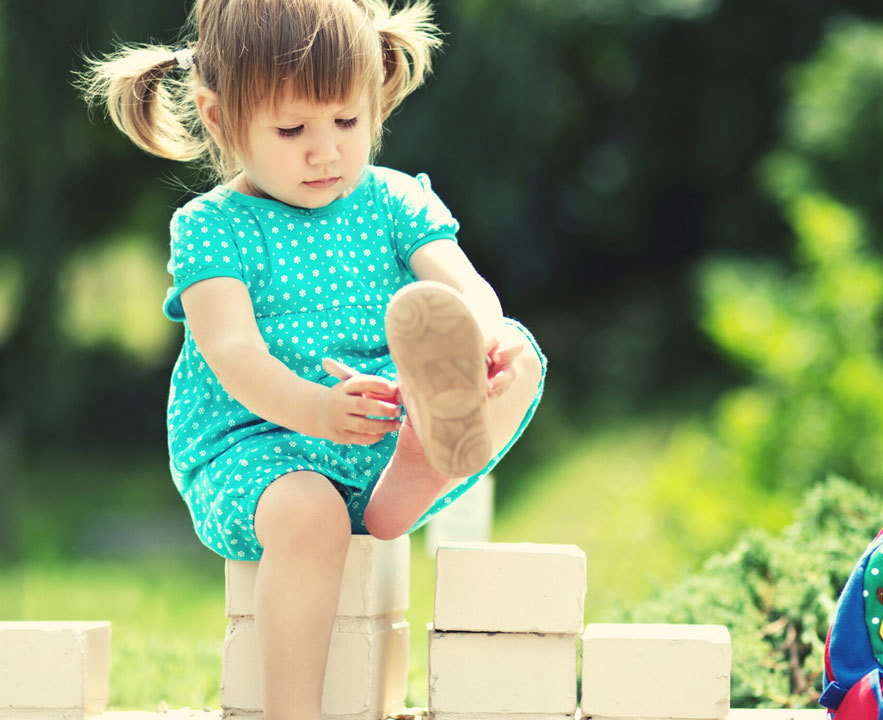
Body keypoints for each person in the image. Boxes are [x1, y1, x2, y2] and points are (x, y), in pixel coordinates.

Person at [79, 1, 545, 716]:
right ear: (218, 117)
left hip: (384, 424)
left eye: (348, 121)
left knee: (524, 355)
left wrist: (484, 340)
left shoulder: (392, 200)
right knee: (309, 515)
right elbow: (232, 353)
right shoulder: (211, 228)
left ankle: (412, 478)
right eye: (293, 129)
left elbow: (463, 284)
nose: (325, 151)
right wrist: (317, 411)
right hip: (257, 448)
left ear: (374, 97)